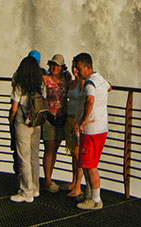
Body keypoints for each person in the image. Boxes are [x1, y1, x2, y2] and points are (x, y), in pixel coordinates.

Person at [73, 52, 111, 210]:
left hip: (92, 130)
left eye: (79, 67)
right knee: (88, 163)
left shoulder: (89, 83)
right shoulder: (100, 79)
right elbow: (110, 87)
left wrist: (83, 121)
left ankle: (96, 200)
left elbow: (90, 101)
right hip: (101, 127)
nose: (77, 70)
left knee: (90, 166)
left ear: (88, 67)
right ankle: (89, 195)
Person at [9, 55, 44, 203]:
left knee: (24, 157)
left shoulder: (19, 86)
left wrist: (10, 120)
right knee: (34, 156)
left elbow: (14, 107)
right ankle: (35, 189)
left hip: (22, 122)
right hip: (37, 122)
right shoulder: (40, 84)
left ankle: (26, 191)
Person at [42, 54, 70, 193]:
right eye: (53, 64)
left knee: (55, 149)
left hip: (62, 118)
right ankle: (47, 180)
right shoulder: (45, 79)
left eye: (57, 65)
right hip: (49, 117)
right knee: (49, 148)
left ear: (62, 67)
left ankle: (50, 178)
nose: (54, 67)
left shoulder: (67, 80)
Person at [62, 61, 85, 197]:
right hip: (69, 120)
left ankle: (78, 186)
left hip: (77, 121)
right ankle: (73, 181)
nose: (75, 70)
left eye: (77, 68)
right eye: (74, 67)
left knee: (78, 155)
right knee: (73, 154)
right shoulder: (72, 83)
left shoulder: (83, 83)